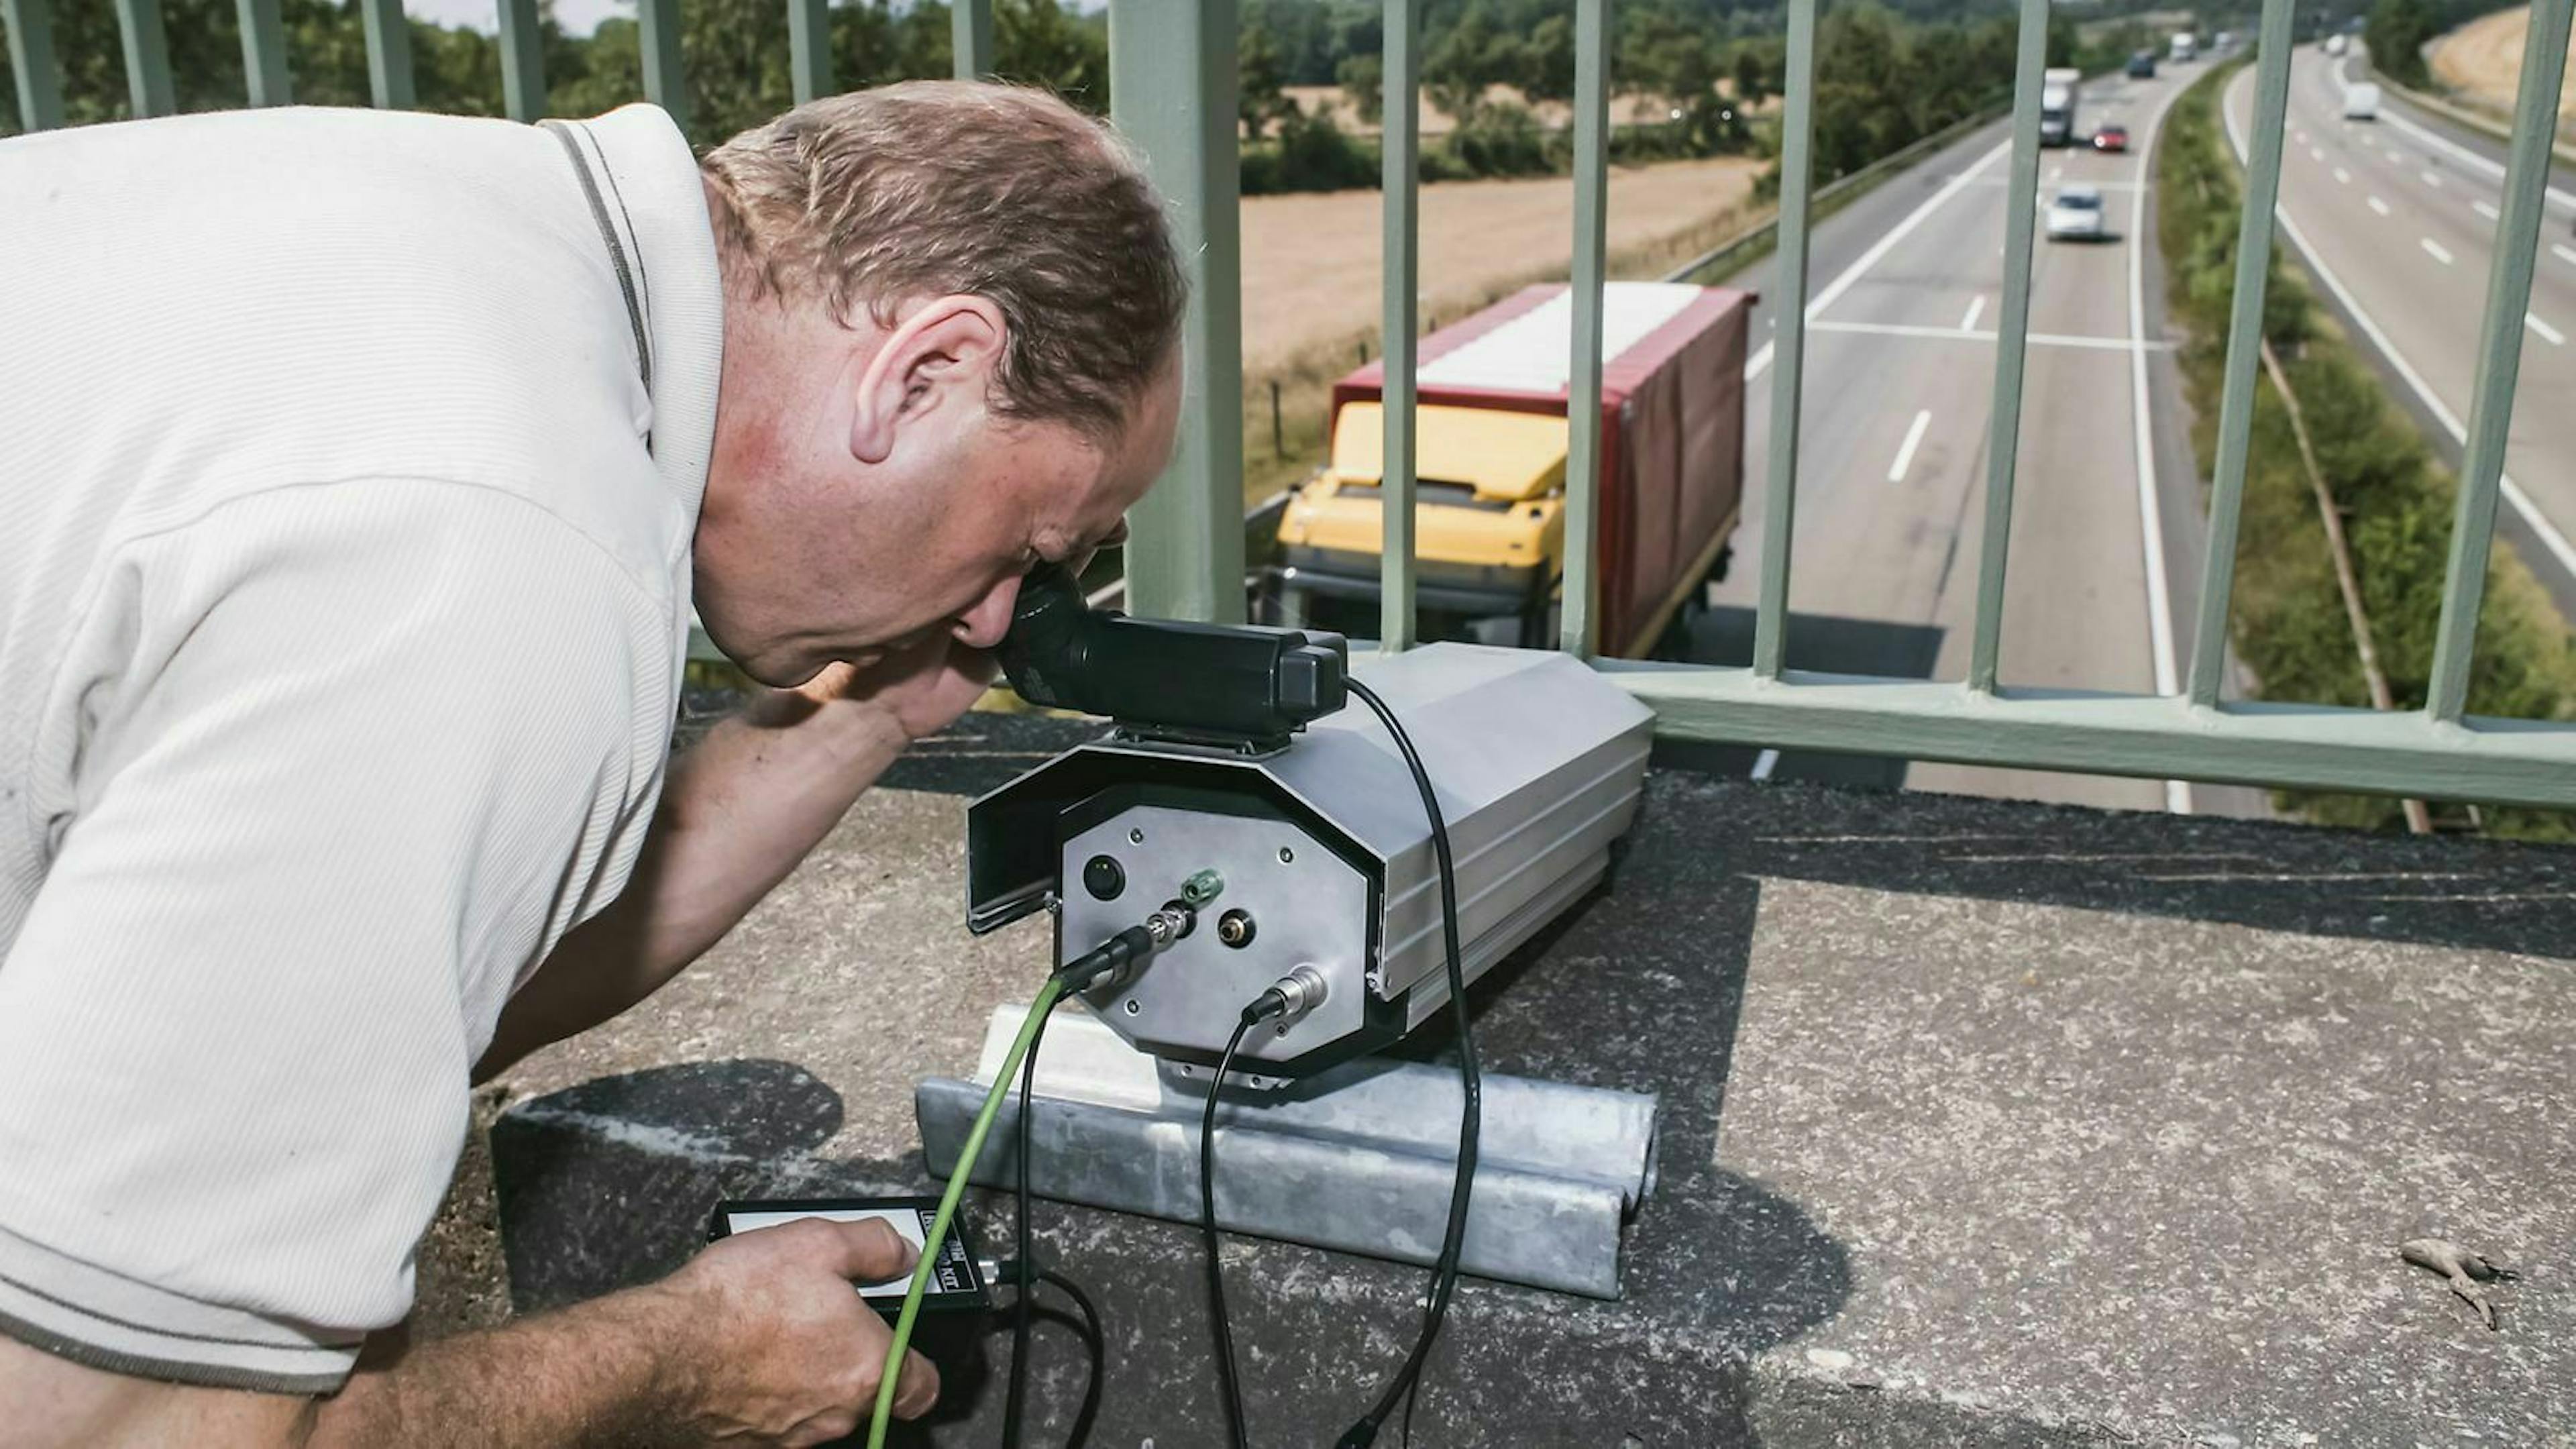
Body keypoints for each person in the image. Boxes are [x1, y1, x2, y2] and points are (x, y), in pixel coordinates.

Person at [0, 79, 1185, 1448]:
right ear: (921, 374)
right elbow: (108, 1424)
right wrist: (690, 1361)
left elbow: (383, 1011)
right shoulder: (498, 549)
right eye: (1036, 547)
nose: (993, 618)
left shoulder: (447, 236)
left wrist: (875, 709)